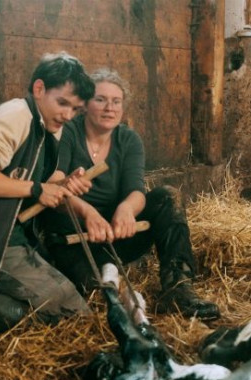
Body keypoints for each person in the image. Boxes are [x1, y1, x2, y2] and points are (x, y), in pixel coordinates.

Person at [0, 52, 96, 352]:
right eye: (62, 103)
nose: (68, 115)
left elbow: (42, 183)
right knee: (74, 316)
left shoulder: (49, 126)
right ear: (39, 88)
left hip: (18, 240)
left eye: (76, 109)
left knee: (78, 311)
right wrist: (37, 190)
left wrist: (64, 185)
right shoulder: (15, 115)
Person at [42, 68, 220, 321]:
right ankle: (104, 275)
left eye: (116, 102)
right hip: (75, 239)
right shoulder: (68, 132)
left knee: (167, 197)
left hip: (116, 235)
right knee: (96, 299)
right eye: (100, 99)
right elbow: (54, 184)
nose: (109, 108)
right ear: (84, 104)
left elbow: (136, 191)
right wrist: (88, 213)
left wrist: (126, 209)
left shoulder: (128, 139)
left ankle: (179, 288)